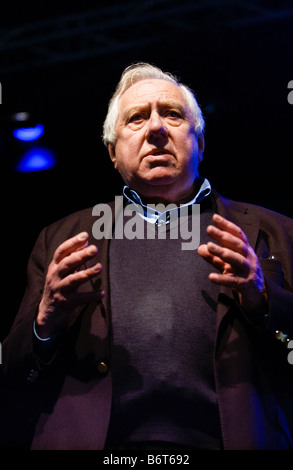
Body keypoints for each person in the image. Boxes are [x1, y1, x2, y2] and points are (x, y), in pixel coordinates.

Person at [2, 62, 293, 450]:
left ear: (201, 142)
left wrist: (263, 303)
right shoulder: (61, 239)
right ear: (112, 152)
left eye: (172, 114)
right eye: (137, 118)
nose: (156, 128)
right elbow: (13, 381)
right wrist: (45, 324)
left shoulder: (277, 233)